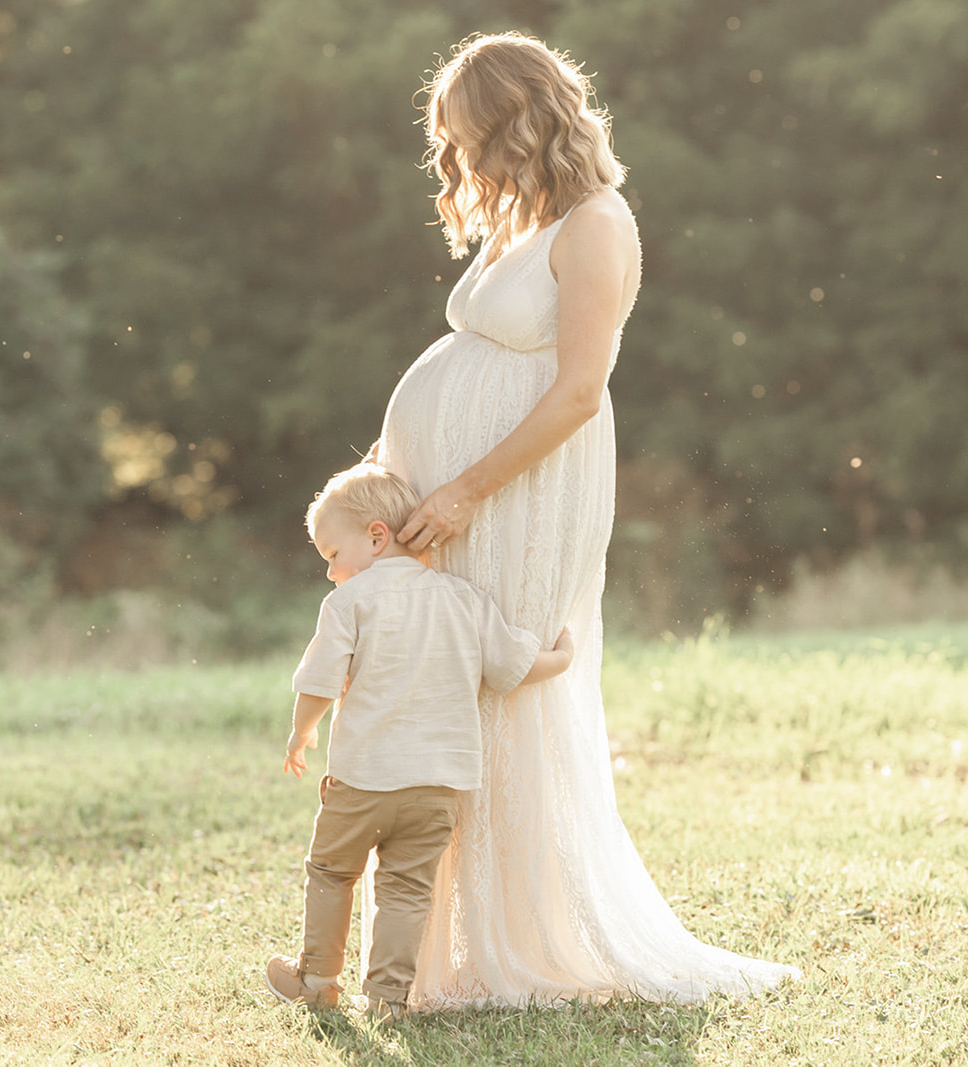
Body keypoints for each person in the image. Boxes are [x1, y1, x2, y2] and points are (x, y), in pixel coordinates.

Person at [363, 31, 800, 1008]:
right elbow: (470, 363)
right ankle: (445, 945)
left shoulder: (596, 223)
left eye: (466, 134)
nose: (456, 156)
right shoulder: (518, 215)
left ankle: (523, 940)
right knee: (444, 681)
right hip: (459, 488)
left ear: (519, 117)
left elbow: (574, 392)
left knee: (503, 678)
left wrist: (465, 485)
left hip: (525, 489)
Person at [264, 462, 574, 1020]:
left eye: (333, 556)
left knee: (332, 872)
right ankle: (387, 1000)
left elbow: (318, 682)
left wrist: (300, 734)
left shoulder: (348, 603)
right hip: (438, 786)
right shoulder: (463, 599)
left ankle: (317, 979)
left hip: (362, 779)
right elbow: (513, 665)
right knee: (406, 890)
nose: (332, 574)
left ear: (376, 537)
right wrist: (563, 657)